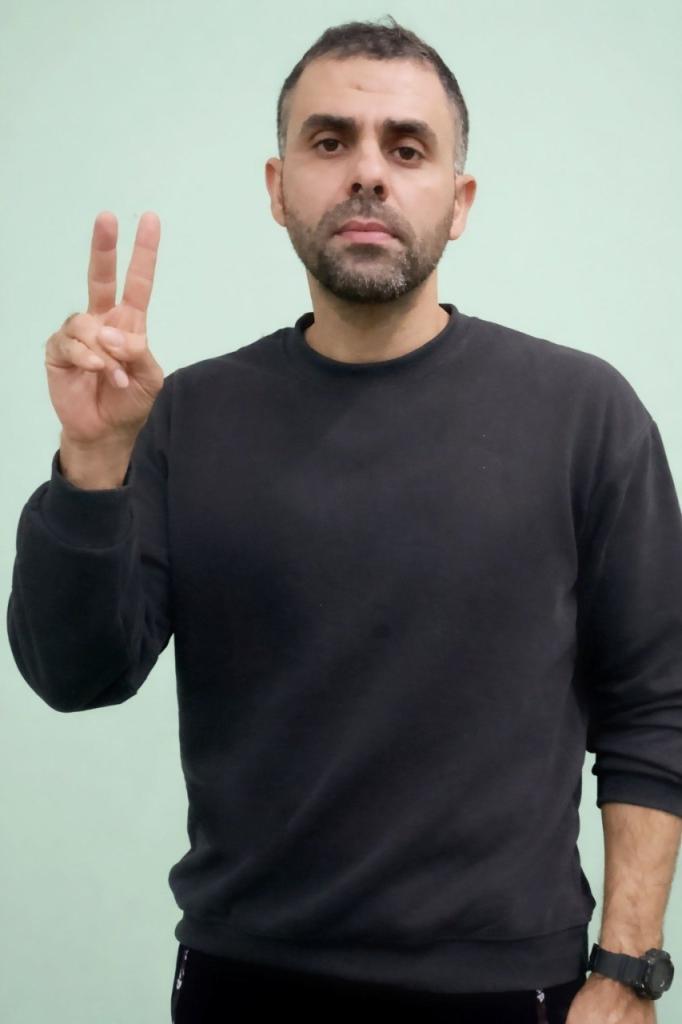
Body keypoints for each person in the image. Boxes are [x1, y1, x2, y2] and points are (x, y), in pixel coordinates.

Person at [7, 15, 682, 1024]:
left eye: (406, 148)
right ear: (278, 187)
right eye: (330, 142)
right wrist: (95, 462)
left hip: (508, 990)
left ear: (458, 201)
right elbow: (76, 674)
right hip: (243, 981)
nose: (367, 171)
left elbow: (656, 705)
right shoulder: (188, 414)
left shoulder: (583, 414)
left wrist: (626, 969)